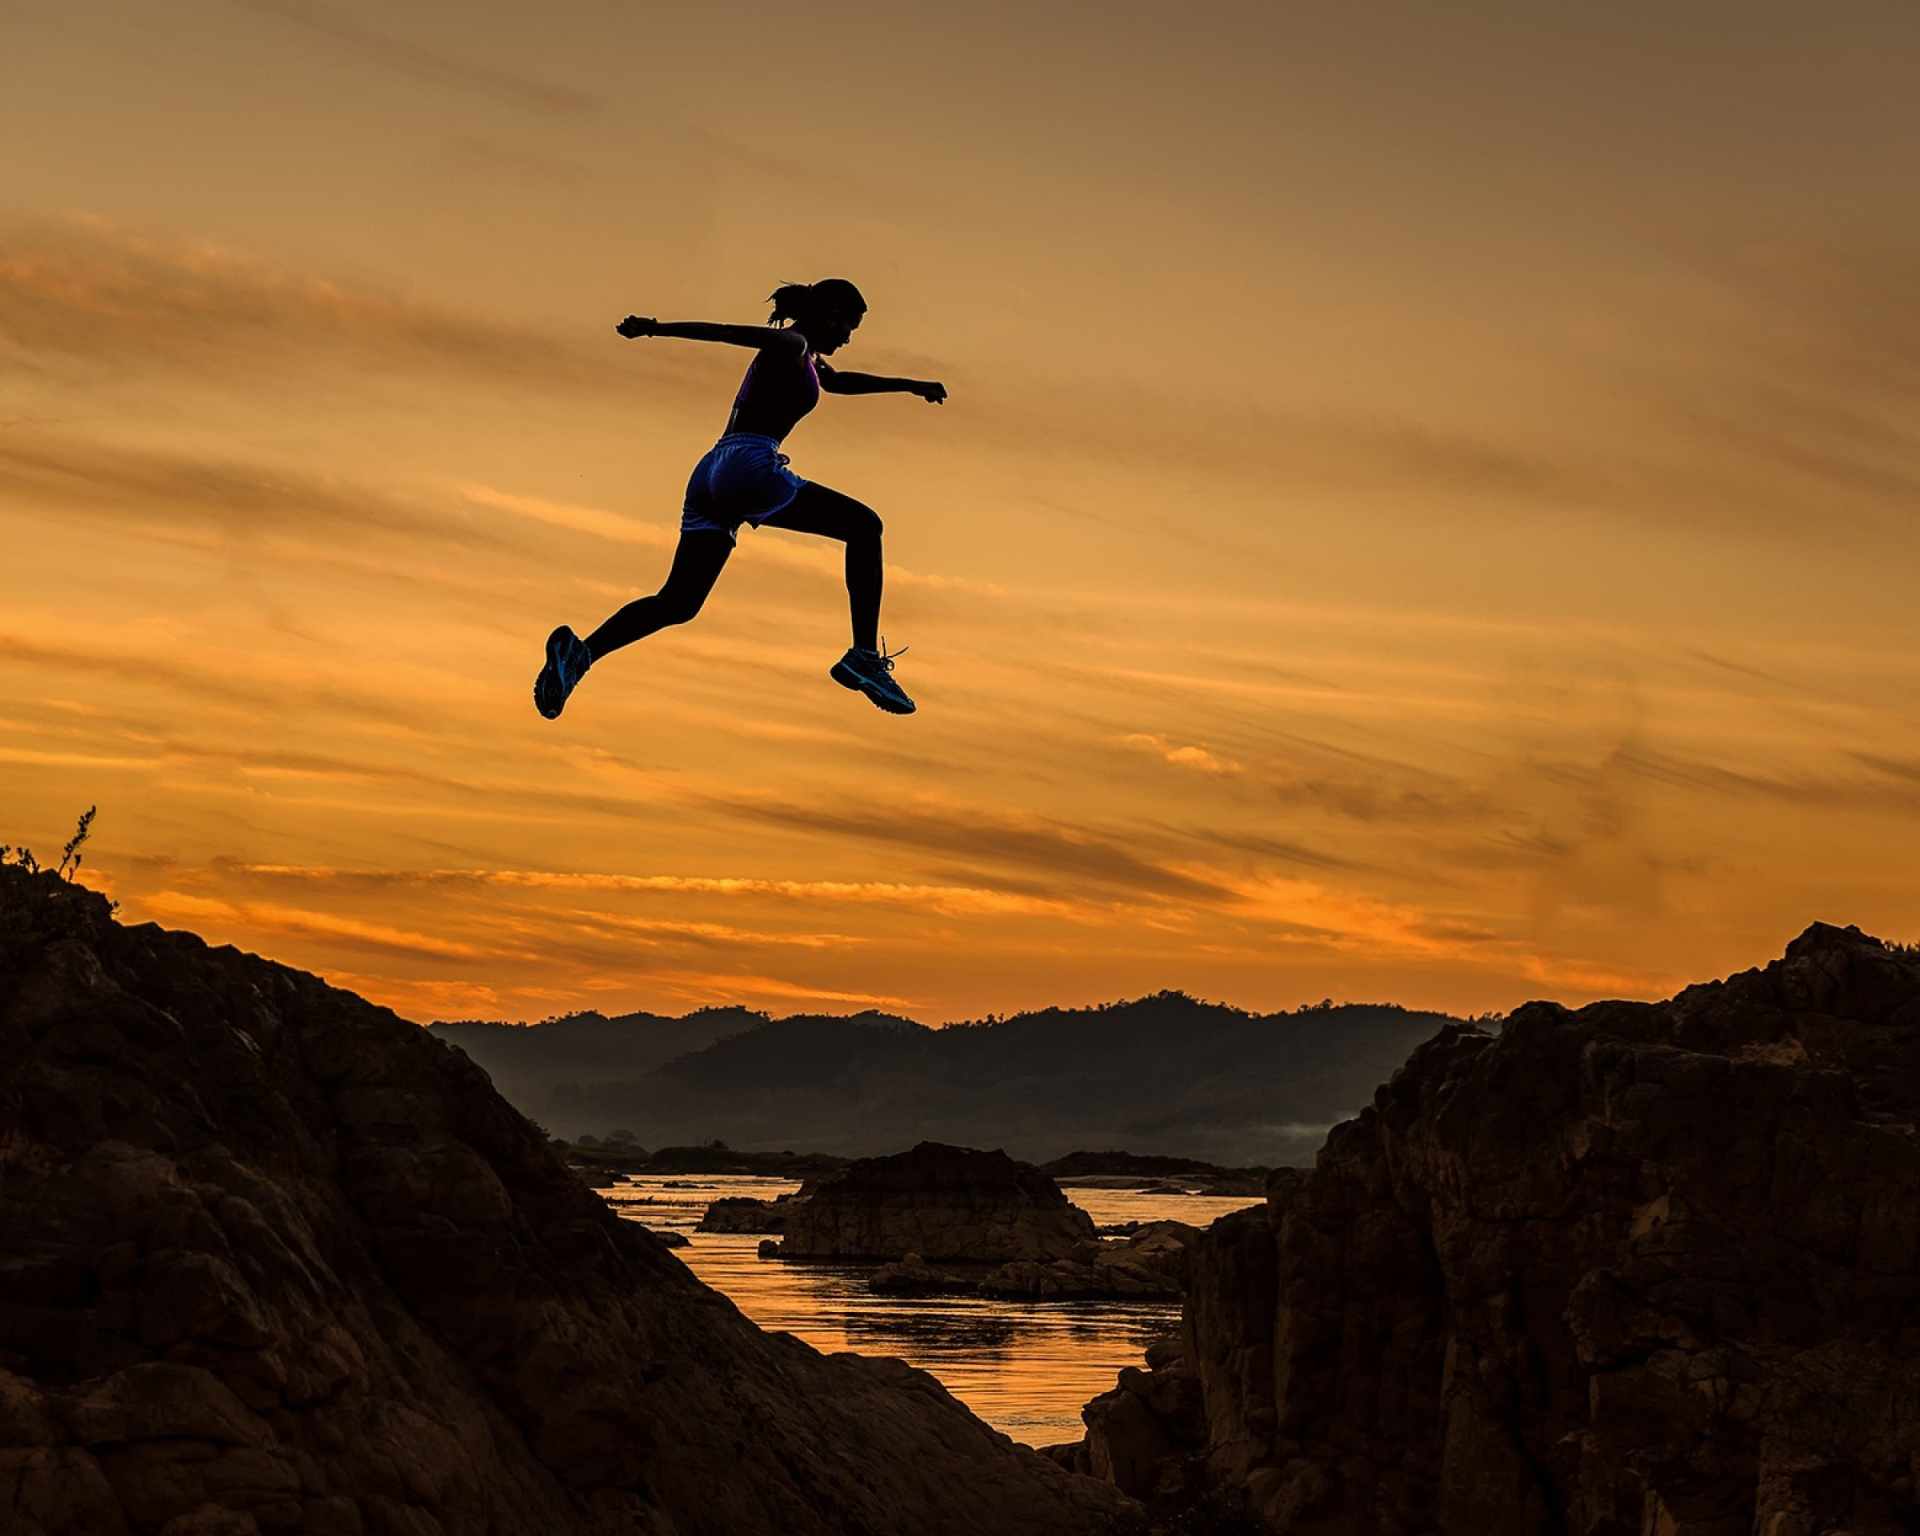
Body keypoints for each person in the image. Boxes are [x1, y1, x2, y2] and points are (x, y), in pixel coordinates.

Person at [533, 278, 947, 722]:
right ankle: (863, 655)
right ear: (829, 313)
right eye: (849, 325)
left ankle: (581, 654)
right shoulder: (792, 343)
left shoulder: (809, 357)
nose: (848, 337)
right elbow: (728, 332)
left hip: (711, 472)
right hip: (749, 464)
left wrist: (910, 384)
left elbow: (840, 382)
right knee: (865, 526)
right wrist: (655, 328)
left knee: (679, 602)